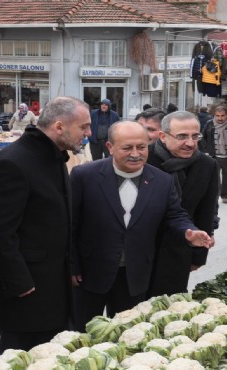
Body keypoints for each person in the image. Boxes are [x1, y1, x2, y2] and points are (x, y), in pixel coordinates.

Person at [0, 97, 92, 353]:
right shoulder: (15, 162)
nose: (89, 133)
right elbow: (0, 231)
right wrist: (20, 284)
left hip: (52, 285)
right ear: (59, 127)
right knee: (23, 355)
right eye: (84, 127)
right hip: (27, 291)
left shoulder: (53, 155)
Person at [69, 121, 213, 331]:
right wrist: (72, 265)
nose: (135, 154)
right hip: (89, 275)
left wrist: (188, 232)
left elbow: (175, 214)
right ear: (110, 147)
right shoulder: (84, 176)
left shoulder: (162, 181)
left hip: (134, 275)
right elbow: (71, 223)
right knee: (81, 334)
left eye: (142, 147)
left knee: (127, 335)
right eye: (127, 148)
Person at [146, 111, 219, 297]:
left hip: (178, 252)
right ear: (163, 136)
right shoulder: (144, 160)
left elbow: (206, 212)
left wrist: (199, 256)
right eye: (182, 136)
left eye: (195, 136)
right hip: (140, 253)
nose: (190, 143)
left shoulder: (207, 165)